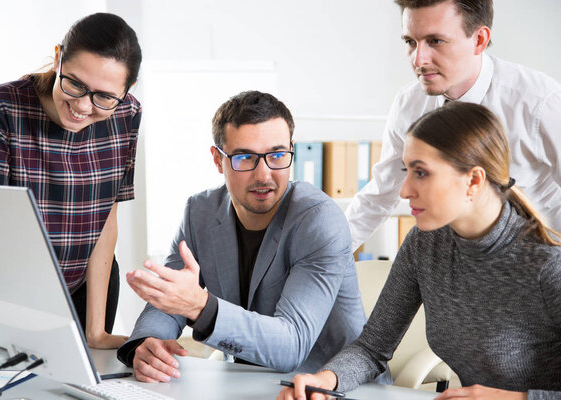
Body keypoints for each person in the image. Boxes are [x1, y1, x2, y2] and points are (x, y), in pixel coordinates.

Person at [278, 102, 561, 400]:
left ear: (474, 180)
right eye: (407, 170)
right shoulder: (424, 244)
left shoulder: (546, 264)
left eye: (421, 173)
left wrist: (514, 399)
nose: (404, 190)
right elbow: (372, 347)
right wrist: (325, 380)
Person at [117, 91, 390, 384]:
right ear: (217, 159)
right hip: (250, 384)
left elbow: (291, 345)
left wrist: (199, 306)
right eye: (245, 157)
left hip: (332, 388)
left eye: (277, 155)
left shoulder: (319, 220)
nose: (264, 175)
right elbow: (169, 299)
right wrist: (148, 343)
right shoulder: (199, 213)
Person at [0, 13, 142, 350]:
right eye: (73, 83)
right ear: (58, 57)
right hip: (11, 291)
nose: (82, 106)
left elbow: (106, 221)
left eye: (104, 97)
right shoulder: (1, 107)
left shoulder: (128, 114)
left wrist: (97, 332)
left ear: (127, 89)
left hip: (87, 288)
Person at [346, 0, 561, 251]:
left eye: (435, 41)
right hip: (457, 259)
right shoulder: (408, 104)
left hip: (538, 256)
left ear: (479, 40)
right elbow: (381, 194)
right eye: (410, 42)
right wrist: (322, 255)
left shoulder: (538, 101)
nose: (419, 59)